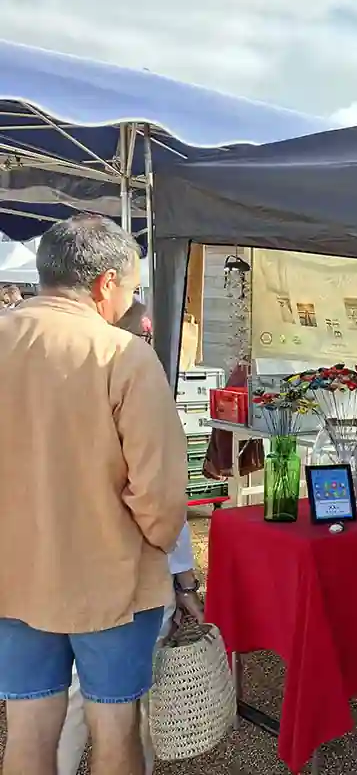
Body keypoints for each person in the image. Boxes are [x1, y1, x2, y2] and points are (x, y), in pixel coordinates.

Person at [0, 214, 188, 775]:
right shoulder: (123, 354)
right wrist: (158, 547)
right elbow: (159, 490)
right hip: (111, 575)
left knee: (27, 729)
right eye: (131, 288)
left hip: (11, 575)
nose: (130, 302)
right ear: (107, 283)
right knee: (114, 728)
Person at [55, 299, 203, 775]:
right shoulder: (138, 385)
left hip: (60, 566)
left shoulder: (55, 384)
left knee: (67, 694)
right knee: (132, 701)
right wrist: (185, 582)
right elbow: (162, 499)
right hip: (130, 573)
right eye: (145, 336)